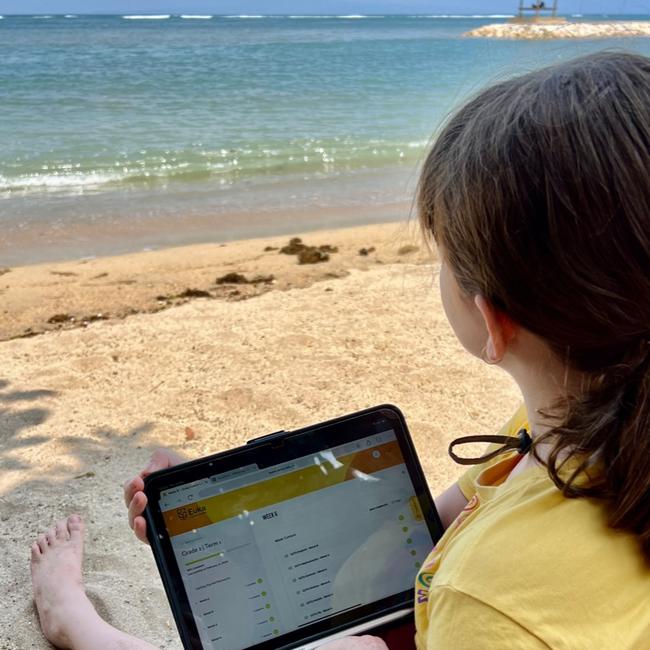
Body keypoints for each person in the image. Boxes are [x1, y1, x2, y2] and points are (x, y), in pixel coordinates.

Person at [30, 50, 650, 649]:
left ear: (493, 320)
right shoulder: (593, 415)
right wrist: (227, 531)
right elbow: (439, 537)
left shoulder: (488, 604)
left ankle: (83, 629)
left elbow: (479, 582)